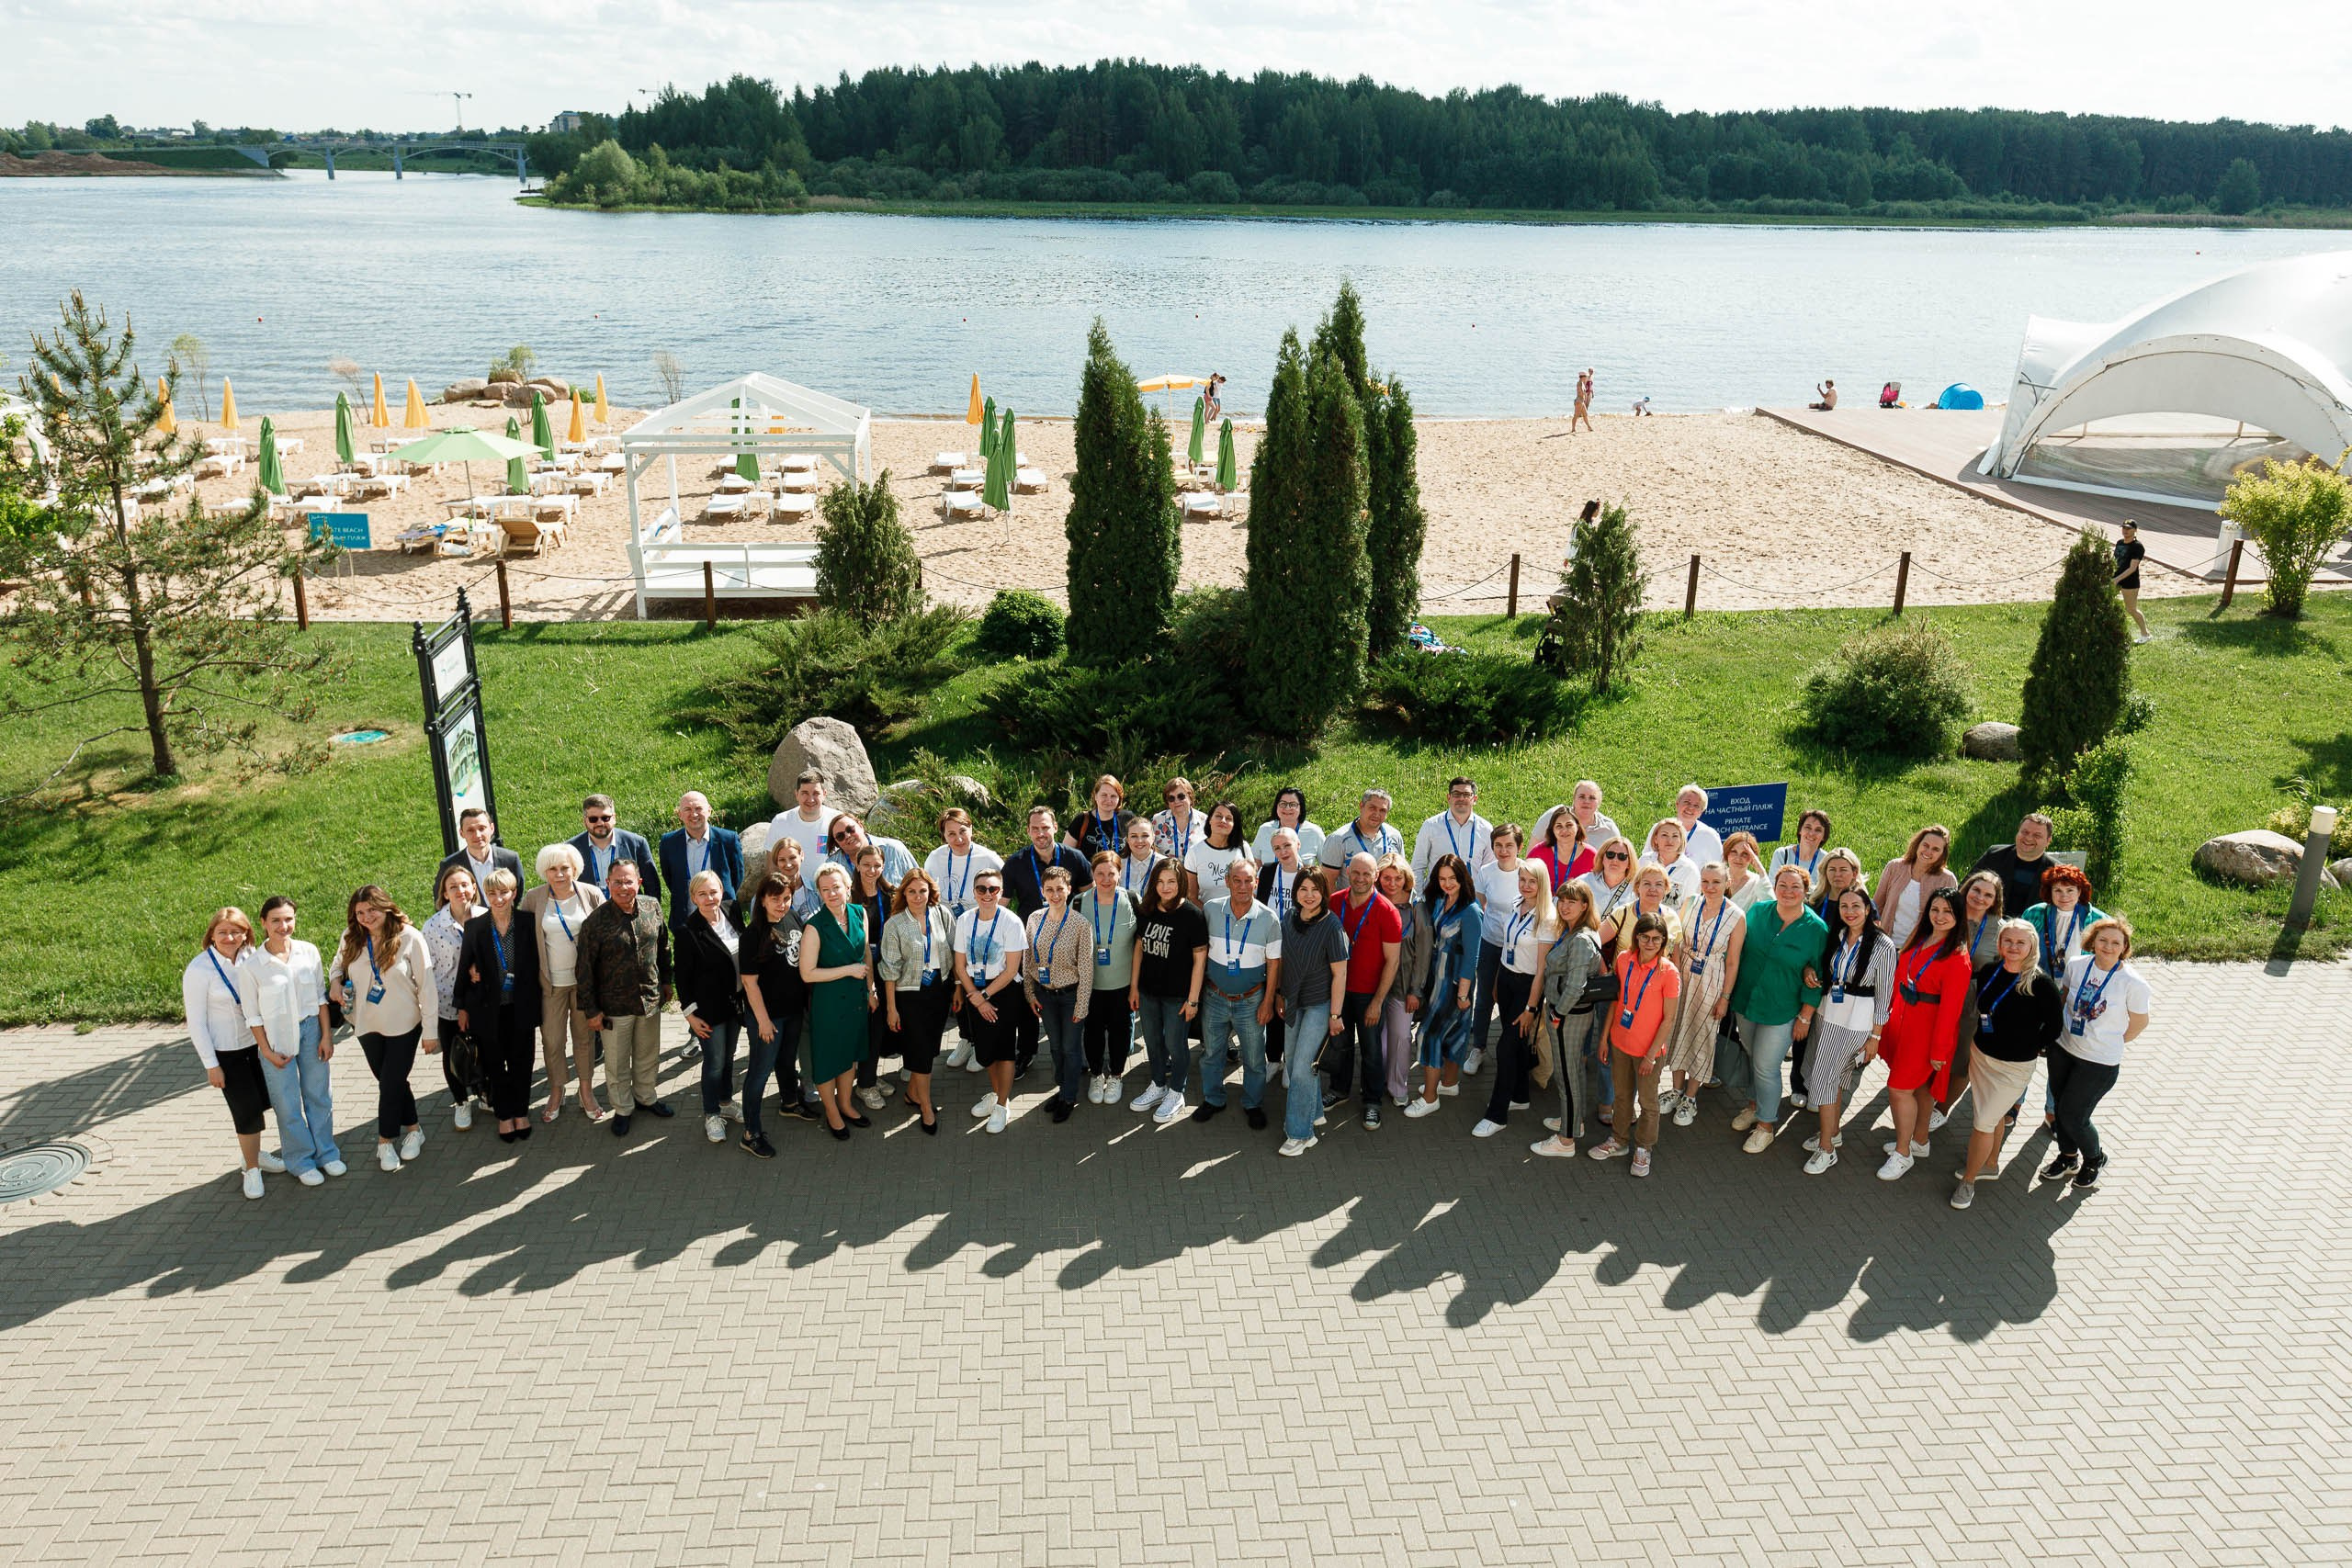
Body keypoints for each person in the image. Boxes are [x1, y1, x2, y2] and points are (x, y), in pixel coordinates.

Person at [1952, 919, 2064, 1207]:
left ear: (2031, 947)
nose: (2013, 948)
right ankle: (1990, 1164)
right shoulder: (1991, 971)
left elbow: (2054, 1027)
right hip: (1982, 1057)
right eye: (2008, 941)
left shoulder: (2042, 985)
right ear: (2000, 944)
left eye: (2020, 943)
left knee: (1982, 1122)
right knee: (1994, 1116)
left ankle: (1968, 1180)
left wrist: (2034, 1045)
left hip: (2013, 1068)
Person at [328, 885, 439, 1171]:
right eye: (360, 913)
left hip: (404, 1024)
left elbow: (427, 987)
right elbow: (337, 966)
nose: (366, 917)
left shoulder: (409, 938)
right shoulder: (351, 937)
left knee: (390, 1083)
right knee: (392, 1082)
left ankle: (385, 1142)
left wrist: (430, 1031)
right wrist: (336, 982)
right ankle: (414, 1130)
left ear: (385, 906)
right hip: (366, 1023)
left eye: (371, 910)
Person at [2041, 915, 2151, 1190]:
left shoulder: (2133, 984)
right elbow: (2065, 998)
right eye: (2103, 940)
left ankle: (2094, 1158)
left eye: (2116, 942)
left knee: (2074, 1115)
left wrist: (2112, 1041)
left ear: (2124, 946)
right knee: (2061, 1110)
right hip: (2064, 1050)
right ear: (2093, 941)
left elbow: (2139, 1022)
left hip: (2099, 1062)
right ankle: (2068, 1158)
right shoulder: (2077, 965)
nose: (2108, 947)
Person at [1724, 864, 1826, 1154]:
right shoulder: (1758, 913)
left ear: (1806, 891)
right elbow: (1737, 950)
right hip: (1747, 1002)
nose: (1788, 892)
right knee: (1753, 1055)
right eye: (1783, 885)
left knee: (1767, 1066)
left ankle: (1766, 1125)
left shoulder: (1816, 929)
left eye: (1796, 887)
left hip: (1781, 1009)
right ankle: (1755, 1106)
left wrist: (1805, 1016)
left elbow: (1817, 975)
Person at [1874, 887, 1973, 1180]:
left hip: (1927, 1032)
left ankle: (1903, 1153)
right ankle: (1919, 1141)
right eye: (1935, 910)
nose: (1940, 916)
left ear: (1959, 917)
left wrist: (1939, 1051)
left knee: (1898, 1089)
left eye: (1947, 912)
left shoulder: (1957, 958)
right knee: (1919, 1088)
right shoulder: (1921, 936)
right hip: (1904, 1020)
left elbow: (1950, 1011)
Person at [572, 860, 672, 1137]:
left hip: (649, 999)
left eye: (629, 881)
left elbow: (663, 946)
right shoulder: (595, 923)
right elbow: (584, 970)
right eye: (617, 882)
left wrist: (667, 981)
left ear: (639, 882)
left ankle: (646, 1097)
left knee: (648, 1055)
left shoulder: (652, 907)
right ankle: (623, 1108)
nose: (623, 887)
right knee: (616, 1063)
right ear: (608, 884)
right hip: (614, 1007)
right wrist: (591, 1011)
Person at [244, 896, 339, 1185]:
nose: (283, 926)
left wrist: (326, 1036)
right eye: (276, 920)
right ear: (263, 923)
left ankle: (327, 1153)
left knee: (319, 1096)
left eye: (288, 919)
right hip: (276, 1038)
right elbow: (253, 1017)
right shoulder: (252, 966)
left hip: (311, 1030)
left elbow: (321, 999)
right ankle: (300, 1160)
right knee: (287, 1104)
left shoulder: (308, 952)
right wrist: (267, 1052)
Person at [184, 907, 277, 1199]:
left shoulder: (253, 958)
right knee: (246, 1112)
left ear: (246, 933)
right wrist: (211, 1065)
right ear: (211, 934)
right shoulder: (199, 970)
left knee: (263, 1103)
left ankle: (256, 1154)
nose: (229, 937)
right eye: (222, 932)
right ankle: (251, 1169)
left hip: (258, 1044)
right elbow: (196, 1023)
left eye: (236, 931)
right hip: (227, 1052)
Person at [1801, 886, 1892, 1174]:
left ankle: (1826, 1149)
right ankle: (1833, 1132)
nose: (1849, 912)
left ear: (1867, 909)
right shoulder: (1837, 936)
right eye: (1844, 907)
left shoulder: (1883, 946)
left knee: (1825, 1078)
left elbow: (1885, 996)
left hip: (1857, 1021)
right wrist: (1810, 974)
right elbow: (1824, 969)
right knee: (1834, 1077)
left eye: (1856, 906)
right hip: (1829, 1015)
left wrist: (1875, 1037)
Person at [1585, 913, 1681, 1177]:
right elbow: (1615, 1002)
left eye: (1656, 939)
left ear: (1663, 942)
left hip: (1648, 1051)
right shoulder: (1624, 960)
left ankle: (1644, 1148)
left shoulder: (1668, 972)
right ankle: (1618, 1140)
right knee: (1622, 1095)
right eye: (1645, 937)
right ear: (1636, 936)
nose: (1650, 943)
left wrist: (1651, 1056)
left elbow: (1669, 1018)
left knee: (1648, 1103)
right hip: (1620, 1042)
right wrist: (1604, 1039)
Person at [1001, 806, 1091, 1077]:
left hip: (1068, 940)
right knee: (1030, 1001)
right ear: (1028, 831)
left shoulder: (1075, 858)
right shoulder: (1016, 862)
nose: (1041, 833)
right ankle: (1026, 1053)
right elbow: (1003, 906)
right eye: (1035, 829)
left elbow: (1090, 896)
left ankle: (1078, 1057)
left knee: (1074, 1000)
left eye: (1045, 827)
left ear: (1055, 827)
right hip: (1033, 942)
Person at [520, 843, 605, 1123]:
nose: (559, 874)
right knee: (553, 1040)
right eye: (553, 869)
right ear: (544, 872)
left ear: (574, 869)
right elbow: (520, 939)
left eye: (564, 868)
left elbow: (606, 933)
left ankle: (586, 1091)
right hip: (551, 985)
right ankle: (556, 1090)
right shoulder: (534, 899)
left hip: (583, 984)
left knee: (584, 1040)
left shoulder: (590, 894)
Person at [1471, 862, 1557, 1140]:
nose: (1526, 886)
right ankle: (1520, 1095)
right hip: (1507, 979)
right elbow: (1506, 945)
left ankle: (1496, 1115)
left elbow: (1542, 970)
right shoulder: (1516, 903)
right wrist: (1497, 980)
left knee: (1506, 1048)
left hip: (1527, 987)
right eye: (1522, 879)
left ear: (1542, 883)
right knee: (1517, 1044)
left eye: (1532, 881)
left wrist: (1532, 1007)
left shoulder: (1547, 917)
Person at [456, 868, 541, 1143]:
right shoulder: (476, 927)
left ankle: (521, 1112)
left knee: (522, 1062)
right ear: (485, 895)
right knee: (495, 1065)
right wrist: (462, 1006)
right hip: (487, 1010)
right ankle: (504, 1115)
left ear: (514, 893)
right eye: (491, 893)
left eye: (503, 892)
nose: (498, 898)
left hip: (521, 1006)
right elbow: (464, 968)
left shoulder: (529, 922)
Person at [1197, 856, 1281, 1128]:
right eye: (1237, 880)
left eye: (1248, 881)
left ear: (1256, 883)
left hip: (1251, 1000)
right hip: (1215, 996)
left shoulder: (1269, 918)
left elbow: (1274, 963)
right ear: (1227, 881)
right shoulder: (1210, 910)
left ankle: (1253, 1103)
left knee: (1255, 1058)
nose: (1243, 886)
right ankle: (1213, 1098)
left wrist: (1268, 1001)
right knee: (1212, 1053)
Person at [1274, 869, 1350, 1156]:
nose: (1309, 895)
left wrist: (1335, 1015)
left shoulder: (1332, 926)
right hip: (1294, 1000)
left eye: (1315, 889)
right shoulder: (1289, 918)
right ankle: (1315, 1111)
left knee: (1304, 1067)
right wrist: (1281, 993)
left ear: (1324, 892)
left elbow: (1340, 974)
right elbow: (1284, 960)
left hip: (1320, 1005)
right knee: (1293, 1062)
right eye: (1303, 889)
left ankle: (1300, 1134)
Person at [1663, 863, 1745, 1128]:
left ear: (1726, 882)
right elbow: (1676, 940)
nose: (1710, 887)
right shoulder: (1690, 903)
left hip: (1711, 977)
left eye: (1716, 882)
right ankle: (1675, 1090)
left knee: (1702, 1034)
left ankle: (1690, 1097)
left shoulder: (1736, 916)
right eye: (1706, 881)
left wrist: (1725, 997)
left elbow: (1732, 961)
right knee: (1677, 1029)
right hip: (1684, 972)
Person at [1529, 882, 1607, 1157]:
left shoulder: (1582, 939)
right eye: (1561, 900)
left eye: (1572, 901)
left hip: (1568, 1017)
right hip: (1572, 1015)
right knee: (1573, 1071)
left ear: (1585, 905)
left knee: (1567, 1075)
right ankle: (1575, 1123)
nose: (1564, 905)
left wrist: (1557, 1014)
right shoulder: (1578, 932)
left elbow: (1575, 985)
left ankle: (1565, 1141)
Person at [798, 863, 876, 1140]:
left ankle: (845, 1104)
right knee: (828, 1059)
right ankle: (831, 1111)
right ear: (819, 893)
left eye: (836, 887)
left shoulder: (859, 913)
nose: (831, 893)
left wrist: (871, 988)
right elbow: (807, 973)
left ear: (847, 887)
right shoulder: (814, 927)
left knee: (850, 1056)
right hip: (829, 1003)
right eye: (825, 889)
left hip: (856, 999)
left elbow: (865, 952)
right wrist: (848, 971)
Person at [1328, 853, 1403, 1129]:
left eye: (1366, 874)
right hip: (1339, 991)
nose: (1360, 878)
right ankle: (1339, 1090)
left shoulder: (1387, 911)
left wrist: (1378, 1002)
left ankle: (1372, 1101)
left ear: (1375, 876)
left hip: (1369, 995)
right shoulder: (1334, 902)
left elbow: (1392, 961)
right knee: (1340, 1044)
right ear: (1348, 871)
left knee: (1371, 1051)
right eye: (1355, 873)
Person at [877, 866, 955, 1135]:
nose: (917, 896)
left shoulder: (942, 914)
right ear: (904, 893)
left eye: (922, 890)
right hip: (910, 996)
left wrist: (956, 988)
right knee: (920, 1052)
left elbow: (954, 952)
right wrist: (891, 1008)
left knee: (930, 1048)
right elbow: (888, 969)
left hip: (939, 991)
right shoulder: (895, 924)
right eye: (911, 891)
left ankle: (912, 1094)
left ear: (930, 891)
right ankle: (926, 1107)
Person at [1128, 859, 1205, 1123]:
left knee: (1175, 1043)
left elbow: (1200, 959)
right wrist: (1134, 987)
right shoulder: (1147, 909)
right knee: (1152, 1041)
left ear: (1181, 882)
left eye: (1171, 881)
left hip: (1178, 997)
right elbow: (1138, 949)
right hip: (1149, 992)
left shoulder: (1192, 915)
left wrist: (1193, 999)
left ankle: (1177, 1092)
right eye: (1160, 881)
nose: (1165, 887)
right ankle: (1158, 1084)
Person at [673, 869, 747, 1145]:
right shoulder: (687, 932)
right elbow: (682, 978)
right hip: (708, 1011)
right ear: (694, 897)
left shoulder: (731, 910)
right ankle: (711, 1113)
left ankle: (726, 1102)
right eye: (702, 894)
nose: (709, 898)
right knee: (714, 1063)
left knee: (728, 1058)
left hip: (734, 1005)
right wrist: (690, 1015)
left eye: (713, 892)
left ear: (722, 892)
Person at [737, 872, 807, 1158]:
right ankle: (750, 1133)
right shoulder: (753, 935)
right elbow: (749, 983)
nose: (782, 904)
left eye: (787, 898)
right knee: (759, 1072)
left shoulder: (792, 919)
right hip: (768, 1017)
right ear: (762, 900)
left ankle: (790, 1103)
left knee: (787, 1062)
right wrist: (763, 1021)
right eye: (775, 899)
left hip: (793, 1011)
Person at [952, 870, 1027, 1134]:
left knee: (1004, 1050)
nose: (987, 894)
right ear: (974, 892)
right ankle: (995, 1095)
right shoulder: (964, 920)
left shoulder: (1011, 922)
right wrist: (976, 995)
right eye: (981, 889)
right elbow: (960, 965)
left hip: (1003, 992)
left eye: (993, 889)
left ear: (1001, 891)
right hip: (976, 990)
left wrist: (984, 997)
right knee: (986, 1051)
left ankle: (1003, 1105)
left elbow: (1011, 969)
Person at [1022, 864, 1096, 1123]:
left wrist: (1081, 1005)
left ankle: (1069, 1096)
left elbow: (1087, 967)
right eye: (1049, 889)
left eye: (1059, 889)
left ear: (1069, 890)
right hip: (1045, 995)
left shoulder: (1080, 924)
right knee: (1054, 1048)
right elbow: (1028, 957)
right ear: (1043, 891)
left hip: (1070, 997)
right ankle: (1062, 1086)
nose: (1055, 895)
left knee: (1070, 1048)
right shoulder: (1034, 919)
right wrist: (1030, 993)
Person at [1407, 854, 1479, 1114]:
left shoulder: (1471, 911)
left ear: (1463, 879)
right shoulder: (1439, 901)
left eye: (1453, 879)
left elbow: (1472, 956)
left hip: (1455, 982)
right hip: (1435, 979)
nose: (1448, 884)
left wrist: (1462, 994)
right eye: (1442, 878)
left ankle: (1429, 1098)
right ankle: (1448, 1083)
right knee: (1453, 1033)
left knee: (1429, 1034)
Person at [422, 863, 486, 1132]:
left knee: (484, 1048)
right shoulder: (434, 926)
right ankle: (461, 1102)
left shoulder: (487, 915)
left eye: (464, 884)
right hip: (448, 1003)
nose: (460, 891)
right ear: (444, 894)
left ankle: (485, 1092)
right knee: (454, 1052)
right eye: (453, 887)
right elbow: (429, 972)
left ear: (473, 887)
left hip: (482, 1000)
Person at [1467, 822, 1531, 1072]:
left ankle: (1510, 1048)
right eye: (1498, 845)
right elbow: (1479, 906)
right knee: (1483, 998)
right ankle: (1478, 1048)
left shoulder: (1529, 872)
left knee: (1511, 999)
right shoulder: (1486, 871)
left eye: (1509, 845)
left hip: (1519, 947)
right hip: (1491, 943)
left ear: (1519, 847)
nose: (1503, 850)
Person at [1077, 852, 1139, 1104]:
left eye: (1111, 873)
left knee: (1120, 1032)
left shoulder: (1133, 900)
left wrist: (1135, 986)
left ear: (1119, 874)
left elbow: (1140, 946)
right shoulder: (1079, 903)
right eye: (1100, 873)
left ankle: (1115, 1074)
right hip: (1090, 984)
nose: (1105, 879)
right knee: (1091, 1031)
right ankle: (1095, 1073)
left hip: (1122, 984)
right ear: (1092, 874)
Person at [848, 844, 898, 1110]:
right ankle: (864, 1085)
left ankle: (870, 1077)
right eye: (866, 865)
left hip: (888, 970)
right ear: (857, 865)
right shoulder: (850, 897)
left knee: (879, 1029)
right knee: (869, 1028)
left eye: (877, 865)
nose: (872, 870)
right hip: (861, 972)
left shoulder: (891, 895)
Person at [1257, 827, 1311, 1066]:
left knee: (1296, 1003)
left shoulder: (1310, 873)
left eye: (1287, 845)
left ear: (1298, 845)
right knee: (1273, 999)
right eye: (1277, 848)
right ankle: (1274, 1060)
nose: (1282, 851)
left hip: (1299, 946)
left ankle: (1294, 1061)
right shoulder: (1267, 872)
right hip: (1271, 946)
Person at [659, 791, 743, 933]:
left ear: (709, 810)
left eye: (698, 809)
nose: (694, 814)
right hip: (685, 919)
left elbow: (737, 876)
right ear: (680, 814)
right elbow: (670, 878)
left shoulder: (728, 840)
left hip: (723, 916)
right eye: (687, 810)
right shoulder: (668, 843)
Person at [1376, 856, 1424, 1109]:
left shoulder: (1417, 907)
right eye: (1386, 877)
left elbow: (1424, 954)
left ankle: (1397, 1085)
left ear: (1407, 879)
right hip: (1373, 984)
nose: (1392, 883)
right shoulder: (1372, 900)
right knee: (1379, 1042)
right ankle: (1376, 1080)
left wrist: (1416, 990)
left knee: (1402, 1037)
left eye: (1398, 878)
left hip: (1403, 986)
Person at [1874, 824, 1956, 947]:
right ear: (1918, 844)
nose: (1928, 852)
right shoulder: (1894, 867)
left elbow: (1950, 919)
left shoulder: (1947, 879)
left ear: (1943, 854)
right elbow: (1877, 906)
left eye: (1936, 849)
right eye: (1926, 845)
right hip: (1885, 945)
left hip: (1920, 950)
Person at [435, 807, 524, 918]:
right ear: (462, 833)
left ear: (491, 828)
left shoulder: (510, 859)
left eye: (482, 828)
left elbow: (517, 893)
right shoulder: (449, 865)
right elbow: (441, 902)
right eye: (470, 830)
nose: (477, 835)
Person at [1969, 813, 2057, 923]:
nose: (2029, 838)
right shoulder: (1994, 855)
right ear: (2018, 832)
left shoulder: (2056, 872)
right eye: (2025, 832)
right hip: (1985, 924)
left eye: (2037, 835)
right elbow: (1965, 888)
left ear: (2048, 840)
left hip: (2030, 931)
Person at [1410, 775, 1496, 887]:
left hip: (1472, 898)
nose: (1461, 798)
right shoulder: (1431, 826)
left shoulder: (1486, 829)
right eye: (1456, 794)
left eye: (1466, 794)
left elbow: (1489, 871)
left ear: (1474, 799)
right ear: (1449, 797)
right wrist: (1419, 898)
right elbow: (1417, 867)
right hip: (1438, 898)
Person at [570, 793, 660, 898]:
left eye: (605, 818)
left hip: (628, 910)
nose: (600, 823)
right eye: (593, 819)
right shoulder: (571, 849)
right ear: (585, 820)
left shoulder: (636, 844)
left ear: (614, 818)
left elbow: (652, 886)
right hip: (588, 912)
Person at [923, 807, 1003, 926]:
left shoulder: (989, 858)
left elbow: (1005, 893)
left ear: (971, 829)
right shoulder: (935, 858)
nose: (959, 839)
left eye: (962, 831)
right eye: (951, 834)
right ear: (944, 835)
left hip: (979, 928)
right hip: (944, 928)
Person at [2020, 863, 2108, 967]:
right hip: (2041, 979)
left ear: (2079, 891)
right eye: (2058, 890)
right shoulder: (2034, 913)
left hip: (2081, 981)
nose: (2064, 896)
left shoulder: (2099, 919)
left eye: (2070, 890)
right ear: (2050, 891)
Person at [766, 769, 841, 877]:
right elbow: (772, 865)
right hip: (792, 888)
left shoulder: (837, 821)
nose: (810, 799)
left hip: (828, 890)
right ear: (796, 794)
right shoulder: (781, 821)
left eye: (816, 793)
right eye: (805, 793)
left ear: (824, 794)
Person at [1317, 787, 1404, 873]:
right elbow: (1328, 883)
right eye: (1372, 808)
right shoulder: (1338, 839)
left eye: (1382, 810)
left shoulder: (1394, 836)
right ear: (1361, 806)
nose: (1377, 814)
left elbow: (1402, 873)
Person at [1182, 799, 1249, 906]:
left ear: (1234, 825)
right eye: (1218, 816)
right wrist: (1210, 915)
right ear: (1209, 820)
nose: (1223, 821)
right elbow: (1191, 896)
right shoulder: (1194, 852)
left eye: (1229, 818)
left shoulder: (1243, 848)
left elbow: (1251, 889)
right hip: (1206, 916)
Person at [826, 812, 919, 886]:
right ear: (836, 843)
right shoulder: (832, 865)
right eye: (840, 836)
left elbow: (919, 883)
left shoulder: (894, 849)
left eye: (850, 829)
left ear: (860, 826)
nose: (847, 836)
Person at [1063, 773, 1136, 863]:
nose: (1108, 800)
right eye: (1104, 795)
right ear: (1095, 796)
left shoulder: (1128, 818)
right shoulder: (1082, 820)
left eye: (1113, 796)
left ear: (1119, 798)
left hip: (1123, 875)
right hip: (1089, 876)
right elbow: (1066, 855)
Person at [1527, 806, 1594, 897]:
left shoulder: (1591, 855)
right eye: (1559, 826)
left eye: (1569, 825)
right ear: (1553, 830)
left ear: (1577, 827)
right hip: (1544, 906)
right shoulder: (1538, 852)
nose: (1564, 830)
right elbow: (1525, 879)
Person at [1251, 786, 1325, 865]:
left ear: (1301, 808)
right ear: (1276, 806)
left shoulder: (1314, 832)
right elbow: (1255, 863)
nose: (1287, 808)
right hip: (1269, 878)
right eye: (1283, 804)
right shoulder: (1265, 830)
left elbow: (1326, 866)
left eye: (1293, 805)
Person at [1640, 818, 1703, 908]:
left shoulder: (1690, 869)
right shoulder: (1645, 860)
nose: (1670, 841)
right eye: (1664, 835)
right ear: (1655, 839)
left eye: (1675, 836)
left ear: (1681, 840)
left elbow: (1690, 907)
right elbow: (1634, 893)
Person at [1770, 810, 1833, 887]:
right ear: (1800, 830)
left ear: (1824, 836)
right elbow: (1773, 887)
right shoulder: (1782, 855)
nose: (1811, 833)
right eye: (1808, 827)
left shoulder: (1827, 860)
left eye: (1818, 830)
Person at [1668, 785, 1724, 871]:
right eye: (1687, 802)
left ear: (1701, 812)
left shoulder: (1710, 836)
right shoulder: (1660, 829)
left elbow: (1719, 870)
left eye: (1696, 806)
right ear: (1677, 804)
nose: (1691, 808)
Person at [2114, 520, 2152, 643]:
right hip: (2115, 578)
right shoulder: (2119, 543)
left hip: (2129, 582)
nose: (2125, 531)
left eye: (2129, 529)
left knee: (2131, 609)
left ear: (2135, 530)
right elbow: (2116, 561)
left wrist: (2116, 580)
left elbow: (2132, 568)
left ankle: (2145, 634)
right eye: (2124, 528)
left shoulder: (2137, 547)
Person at [1152, 777, 1204, 864]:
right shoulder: (1157, 821)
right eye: (1171, 798)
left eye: (1181, 796)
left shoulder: (1205, 821)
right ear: (1167, 802)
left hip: (1196, 876)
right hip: (1167, 875)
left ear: (1190, 797)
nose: (1176, 801)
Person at [1566, 779, 1623, 853]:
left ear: (1598, 803)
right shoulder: (1555, 819)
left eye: (1592, 798)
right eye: (1582, 797)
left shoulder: (1609, 829)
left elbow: (1618, 859)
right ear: (1574, 799)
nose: (1586, 801)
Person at [1119, 814, 1166, 902]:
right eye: (1134, 836)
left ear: (1153, 838)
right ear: (1128, 840)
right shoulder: (1118, 864)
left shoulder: (1164, 864)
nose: (1139, 841)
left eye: (1145, 835)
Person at [1721, 831, 1770, 911]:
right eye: (1734, 852)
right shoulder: (1716, 877)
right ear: (1726, 853)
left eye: (1745, 854)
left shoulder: (1757, 882)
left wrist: (1762, 872)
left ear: (1753, 857)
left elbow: (1771, 909)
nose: (1738, 858)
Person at [1814, 848, 1864, 925]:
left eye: (1843, 870)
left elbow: (1873, 935)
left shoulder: (1865, 904)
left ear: (1854, 873)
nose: (1837, 874)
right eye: (1832, 869)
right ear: (1825, 872)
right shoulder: (1814, 902)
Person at [1570, 368, 1594, 434]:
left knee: (1585, 414)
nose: (1586, 377)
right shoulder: (1579, 384)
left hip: (1582, 401)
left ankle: (1589, 427)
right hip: (1579, 401)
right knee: (1576, 415)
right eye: (1585, 376)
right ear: (1583, 377)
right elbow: (1581, 392)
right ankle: (1573, 429)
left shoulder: (1582, 383)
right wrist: (1585, 393)